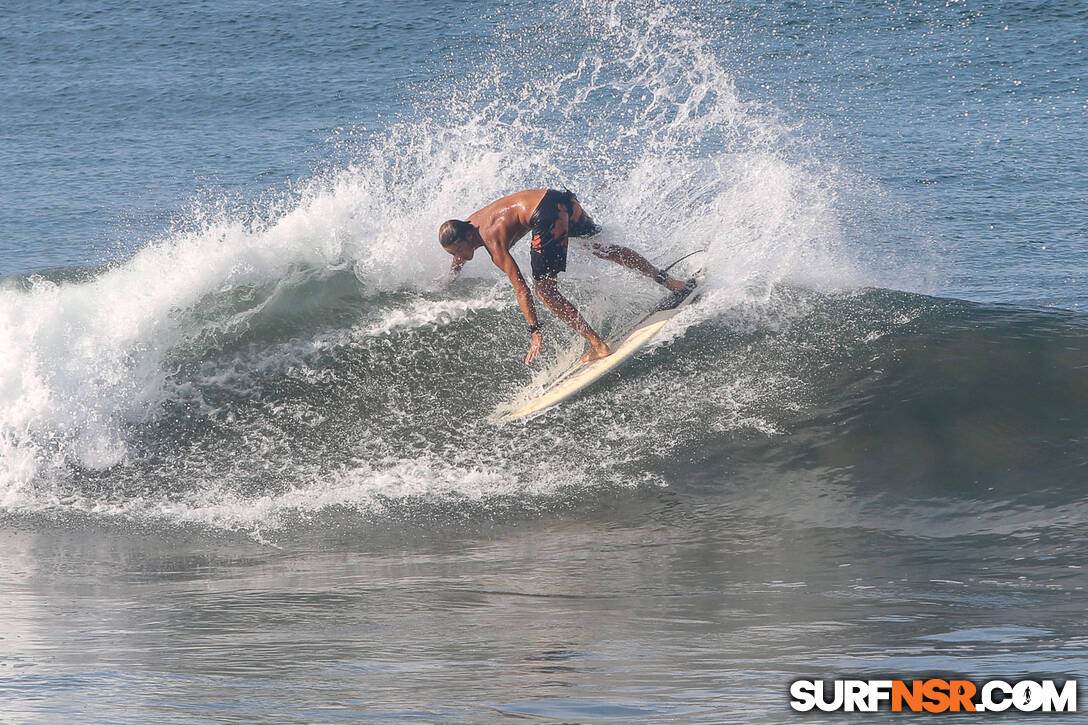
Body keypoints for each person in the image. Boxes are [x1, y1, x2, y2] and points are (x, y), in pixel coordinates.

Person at [439, 189, 691, 365]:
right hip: (560, 200)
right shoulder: (467, 225)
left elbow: (520, 287)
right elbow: (460, 254)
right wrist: (450, 279)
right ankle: (672, 283)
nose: (459, 256)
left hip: (546, 217)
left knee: (545, 292)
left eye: (458, 251)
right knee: (602, 250)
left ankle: (598, 346)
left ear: (468, 238)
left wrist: (535, 330)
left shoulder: (493, 242)